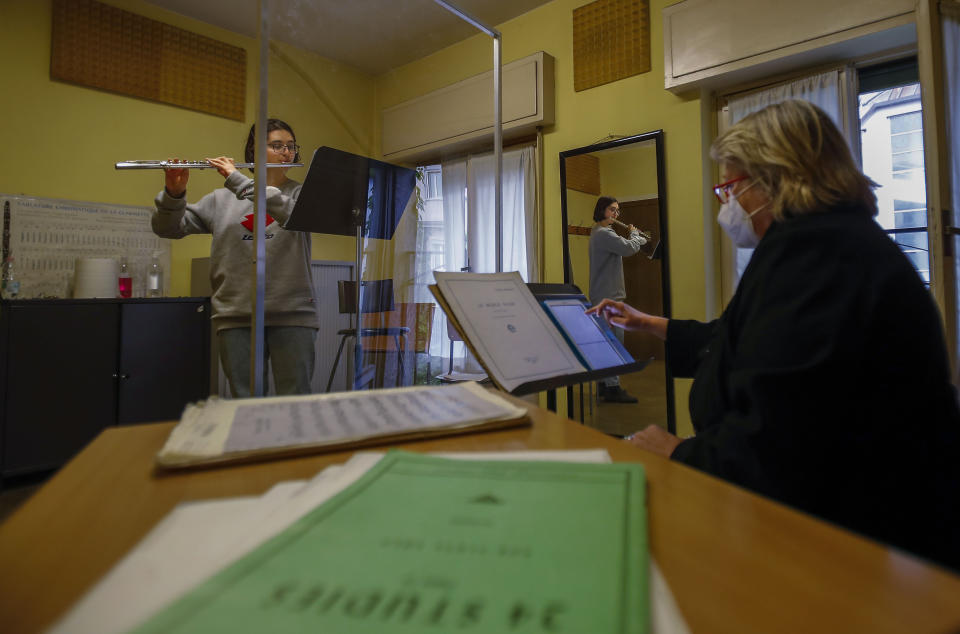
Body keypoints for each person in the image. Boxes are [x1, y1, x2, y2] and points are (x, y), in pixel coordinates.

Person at [588, 100, 960, 571]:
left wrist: (678, 451)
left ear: (775, 179)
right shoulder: (828, 241)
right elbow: (751, 338)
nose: (728, 205)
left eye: (730, 187)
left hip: (867, 541)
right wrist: (648, 323)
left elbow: (784, 440)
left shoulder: (819, 257)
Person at [152, 118, 318, 398]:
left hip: (293, 313)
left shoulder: (303, 195)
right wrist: (174, 194)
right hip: (237, 315)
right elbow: (168, 228)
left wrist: (237, 180)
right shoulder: (220, 200)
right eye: (277, 146)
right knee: (246, 401)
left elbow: (289, 214)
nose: (286, 153)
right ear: (254, 152)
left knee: (296, 400)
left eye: (290, 147)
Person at [589, 196, 647, 403]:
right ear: (602, 210)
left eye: (617, 211)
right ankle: (612, 388)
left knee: (608, 343)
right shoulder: (603, 234)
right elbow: (629, 248)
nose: (616, 214)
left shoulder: (602, 233)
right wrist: (636, 235)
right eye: (612, 210)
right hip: (608, 298)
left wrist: (632, 237)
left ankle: (605, 385)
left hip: (605, 296)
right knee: (615, 344)